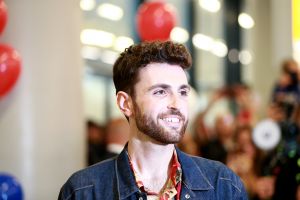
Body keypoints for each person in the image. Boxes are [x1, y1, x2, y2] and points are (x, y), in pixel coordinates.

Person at [58, 41, 247, 199]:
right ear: (126, 103)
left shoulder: (223, 185)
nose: (177, 104)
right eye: (160, 92)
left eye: (182, 92)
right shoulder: (83, 191)